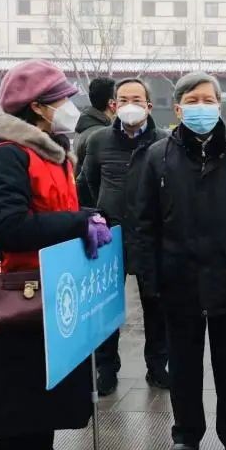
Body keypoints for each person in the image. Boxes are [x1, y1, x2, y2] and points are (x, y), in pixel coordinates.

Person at [0, 59, 109, 450]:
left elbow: (55, 212)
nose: (69, 108)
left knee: (46, 394)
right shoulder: (6, 155)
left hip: (52, 293)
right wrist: (77, 223)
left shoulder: (51, 152)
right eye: (61, 100)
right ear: (37, 107)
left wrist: (87, 215)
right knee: (19, 403)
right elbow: (10, 228)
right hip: (16, 297)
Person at [134, 72, 226, 450]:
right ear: (177, 108)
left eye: (207, 100)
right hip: (179, 280)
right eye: (192, 100)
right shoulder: (158, 156)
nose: (201, 107)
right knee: (184, 367)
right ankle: (186, 436)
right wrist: (150, 279)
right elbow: (144, 224)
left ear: (219, 105)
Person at [79, 77, 170, 395]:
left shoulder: (164, 142)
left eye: (137, 98)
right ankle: (106, 368)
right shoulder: (98, 141)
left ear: (149, 105)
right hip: (109, 235)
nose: (130, 104)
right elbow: (86, 183)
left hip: (151, 237)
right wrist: (97, 216)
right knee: (105, 305)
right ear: (113, 105)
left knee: (156, 305)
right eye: (123, 99)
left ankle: (158, 365)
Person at [74, 77, 115, 206]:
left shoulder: (85, 127)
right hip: (96, 210)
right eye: (122, 99)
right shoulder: (99, 135)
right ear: (111, 103)